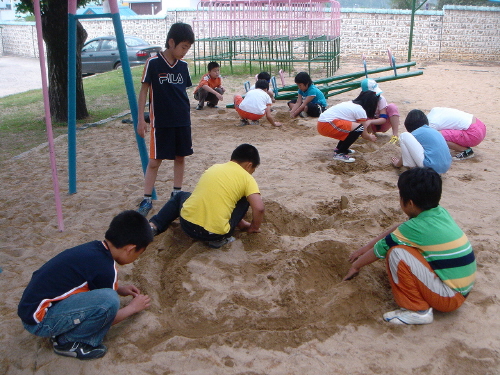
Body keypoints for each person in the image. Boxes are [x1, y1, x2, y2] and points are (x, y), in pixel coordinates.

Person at [343, 167, 476, 325]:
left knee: (396, 253)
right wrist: (365, 248)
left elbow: (380, 250)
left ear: (410, 203)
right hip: (461, 288)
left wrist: (356, 266)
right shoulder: (438, 213)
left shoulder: (415, 227)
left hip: (450, 297)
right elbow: (398, 230)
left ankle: (417, 311)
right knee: (403, 246)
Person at [18, 211, 154, 359]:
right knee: (109, 300)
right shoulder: (106, 269)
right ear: (130, 249)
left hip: (32, 309)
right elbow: (107, 315)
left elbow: (85, 282)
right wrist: (132, 308)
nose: (136, 257)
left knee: (109, 294)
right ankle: (68, 342)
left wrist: (120, 289)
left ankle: (61, 328)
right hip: (40, 321)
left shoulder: (94, 249)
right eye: (139, 253)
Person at [149, 144, 265, 249]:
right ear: (249, 165)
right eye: (252, 170)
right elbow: (259, 208)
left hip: (187, 225)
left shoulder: (214, 167)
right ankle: (220, 240)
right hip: (214, 235)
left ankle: (155, 225)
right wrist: (253, 227)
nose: (251, 173)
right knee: (246, 198)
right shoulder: (247, 178)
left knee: (181, 196)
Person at [136, 22, 195, 217]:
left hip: (182, 120)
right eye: (183, 47)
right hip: (161, 122)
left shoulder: (184, 66)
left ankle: (176, 194)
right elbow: (144, 91)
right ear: (171, 42)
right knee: (154, 161)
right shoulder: (153, 63)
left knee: (180, 157)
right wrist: (140, 119)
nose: (185, 51)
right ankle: (147, 199)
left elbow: (182, 93)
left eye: (188, 48)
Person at [317, 90, 378, 162]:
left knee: (352, 127)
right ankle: (340, 153)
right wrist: (370, 137)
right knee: (359, 128)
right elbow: (364, 134)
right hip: (326, 124)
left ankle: (340, 148)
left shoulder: (351, 104)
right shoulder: (360, 110)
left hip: (322, 123)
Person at [391, 109, 452, 174]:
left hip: (430, 167)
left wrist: (398, 164)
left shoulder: (415, 133)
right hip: (444, 168)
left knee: (404, 136)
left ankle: (412, 169)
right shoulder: (433, 131)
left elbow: (407, 152)